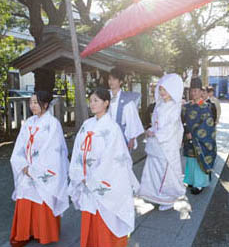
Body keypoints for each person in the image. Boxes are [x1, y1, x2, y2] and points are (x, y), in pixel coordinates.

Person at [68, 88, 139, 247]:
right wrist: (81, 174)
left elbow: (114, 159)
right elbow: (78, 152)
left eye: (96, 100)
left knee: (105, 214)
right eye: (91, 100)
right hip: (86, 178)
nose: (92, 104)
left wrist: (93, 178)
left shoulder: (112, 128)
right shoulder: (87, 125)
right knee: (90, 213)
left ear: (106, 103)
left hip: (102, 179)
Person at [9, 91, 69, 246]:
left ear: (45, 104)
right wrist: (22, 164)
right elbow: (20, 147)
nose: (32, 106)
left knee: (42, 195)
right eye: (31, 102)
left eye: (36, 102)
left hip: (42, 168)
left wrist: (34, 169)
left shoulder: (52, 123)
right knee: (25, 195)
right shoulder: (28, 122)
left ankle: (44, 233)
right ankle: (24, 232)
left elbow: (53, 150)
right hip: (26, 168)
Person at [138, 74, 186, 211]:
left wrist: (155, 133)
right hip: (156, 143)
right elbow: (157, 124)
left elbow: (170, 128)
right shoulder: (159, 105)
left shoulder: (175, 107)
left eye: (165, 90)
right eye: (161, 90)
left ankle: (168, 199)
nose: (162, 93)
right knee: (154, 171)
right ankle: (155, 195)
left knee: (165, 172)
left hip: (166, 145)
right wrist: (151, 130)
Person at [182, 78, 217, 195]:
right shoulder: (186, 106)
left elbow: (208, 125)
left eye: (196, 91)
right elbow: (182, 121)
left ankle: (200, 184)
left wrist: (194, 134)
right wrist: (186, 132)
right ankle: (191, 180)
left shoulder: (206, 106)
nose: (193, 93)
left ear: (202, 92)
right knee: (191, 160)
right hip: (188, 137)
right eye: (192, 91)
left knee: (199, 160)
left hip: (200, 139)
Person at [108, 68, 144, 150]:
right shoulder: (105, 96)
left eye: (114, 79)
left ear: (120, 82)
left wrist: (132, 139)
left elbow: (132, 120)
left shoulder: (127, 100)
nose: (111, 81)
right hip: (107, 133)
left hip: (121, 134)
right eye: (110, 79)